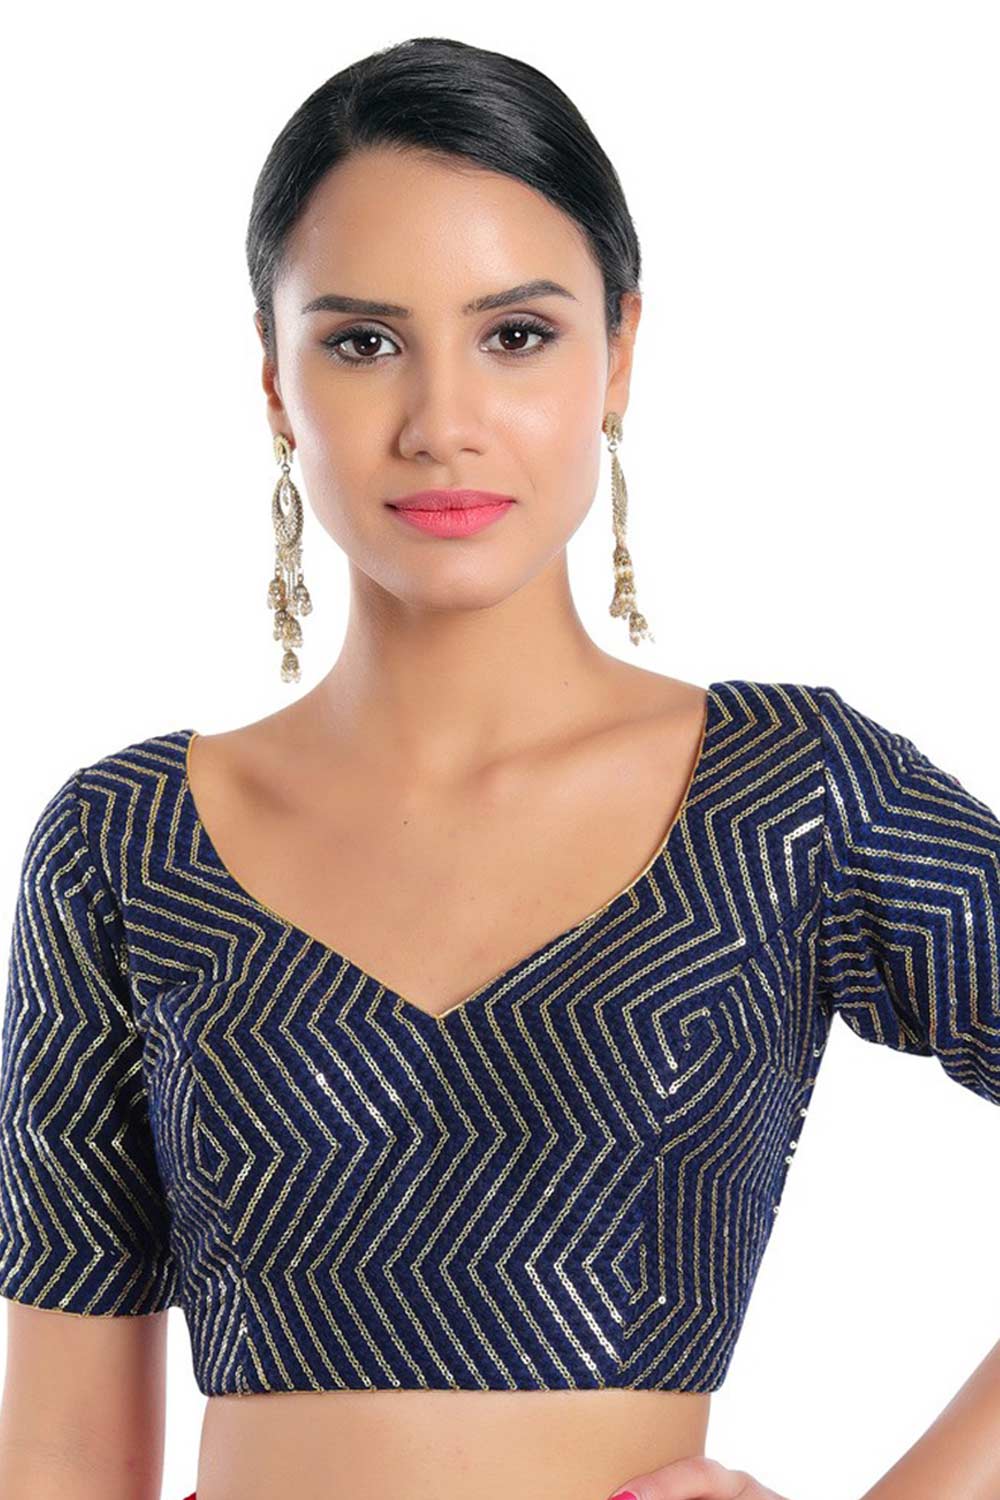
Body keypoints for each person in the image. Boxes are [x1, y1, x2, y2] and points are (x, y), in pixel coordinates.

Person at [1, 34, 999, 1500]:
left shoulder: (789, 797)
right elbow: (58, 1449)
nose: (442, 424)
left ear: (620, 353)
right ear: (274, 380)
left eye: (516, 335)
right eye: (362, 342)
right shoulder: (129, 842)